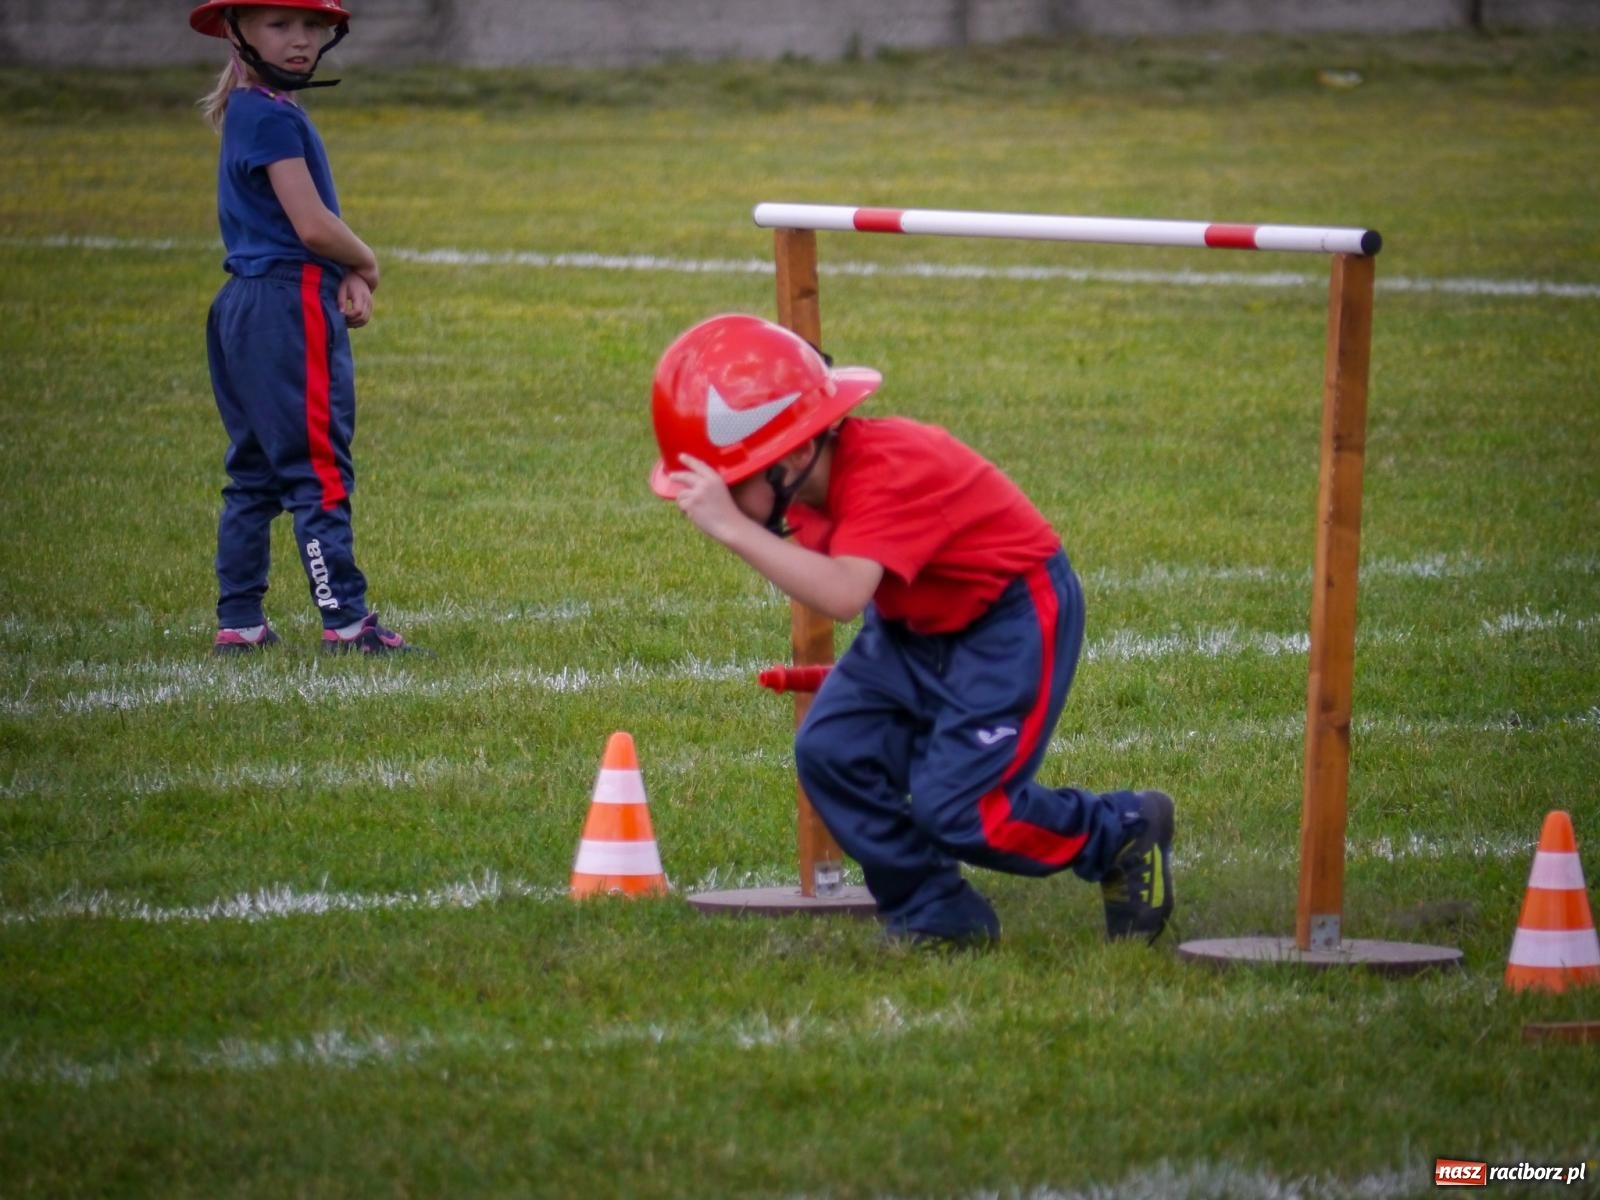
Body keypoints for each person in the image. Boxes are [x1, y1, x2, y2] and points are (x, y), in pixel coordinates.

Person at [649, 313, 1173, 949]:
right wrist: (740, 517)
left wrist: (730, 528)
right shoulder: (799, 491)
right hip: (912, 624)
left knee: (959, 811)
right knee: (831, 750)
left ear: (791, 455)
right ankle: (935, 911)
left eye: (732, 485)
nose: (721, 506)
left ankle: (1118, 829)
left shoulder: (885, 467)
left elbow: (842, 595)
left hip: (1009, 618)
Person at [192, 0, 418, 655]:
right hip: (286, 309)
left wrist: (339, 274)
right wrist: (366, 263)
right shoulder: (268, 113)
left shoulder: (253, 109)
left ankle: (241, 622)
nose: (300, 41)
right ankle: (346, 621)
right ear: (238, 33)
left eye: (312, 27)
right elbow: (312, 224)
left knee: (256, 471)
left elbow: (301, 228)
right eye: (279, 25)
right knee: (316, 470)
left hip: (248, 303)